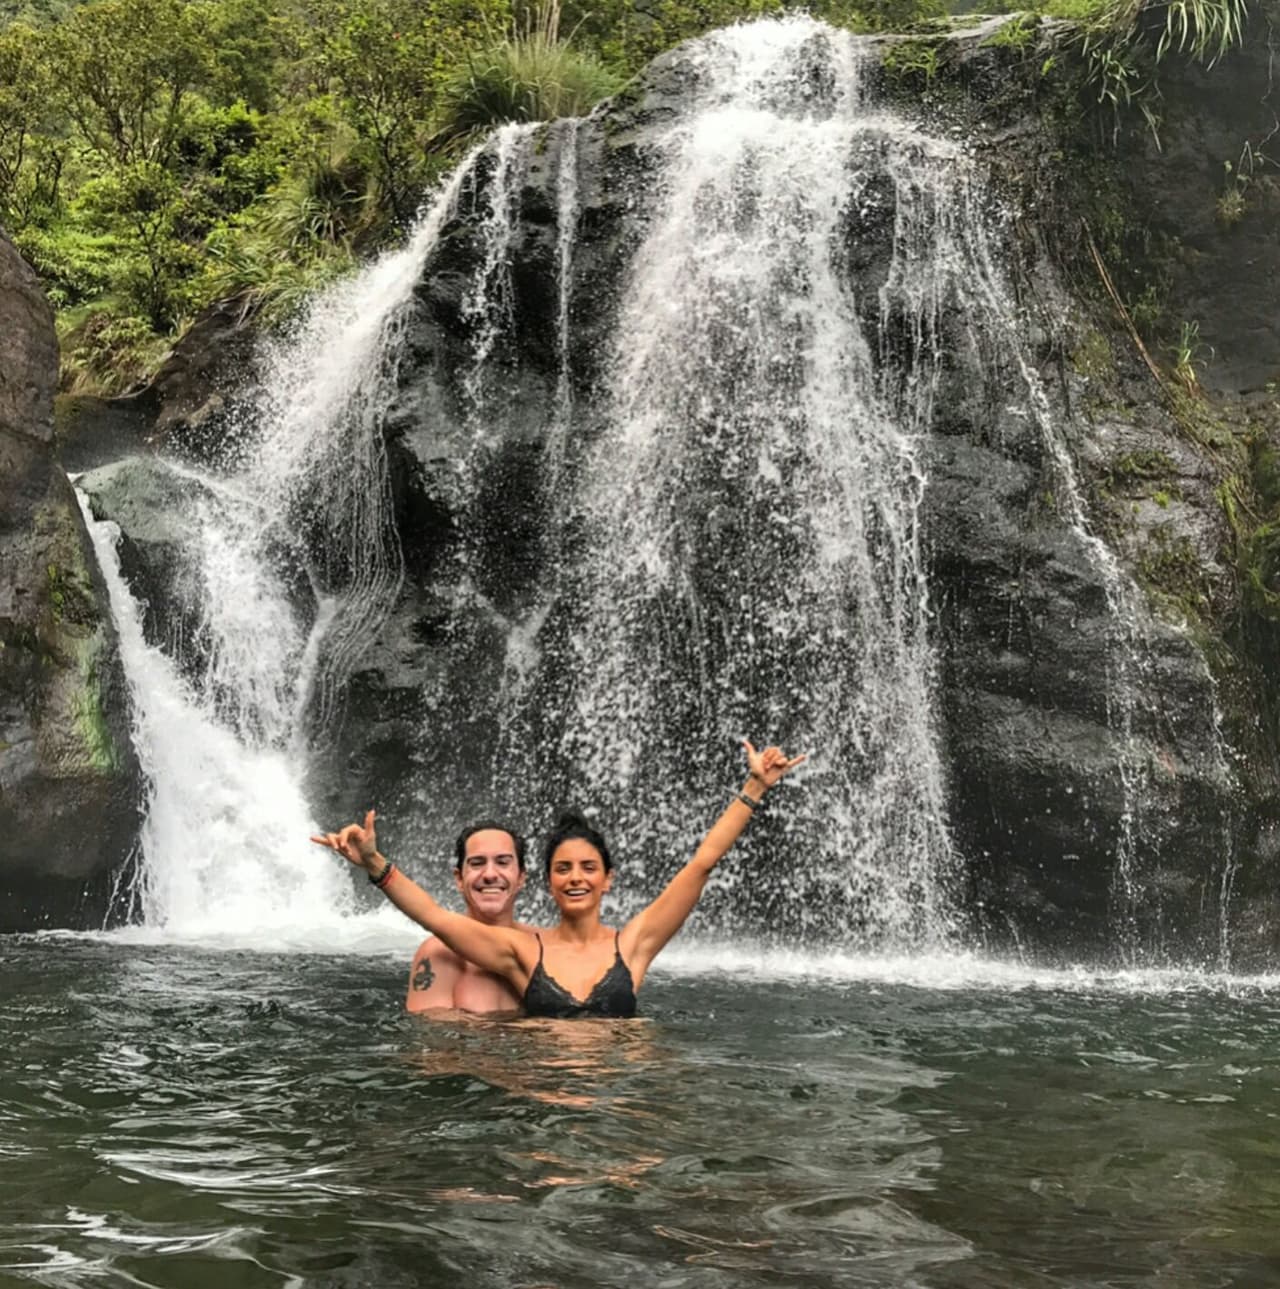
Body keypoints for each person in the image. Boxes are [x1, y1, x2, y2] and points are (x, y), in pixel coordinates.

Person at [313, 740, 804, 1018]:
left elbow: (701, 865)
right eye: (563, 869)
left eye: (588, 868)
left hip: (622, 1099)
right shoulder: (524, 952)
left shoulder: (633, 946)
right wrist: (375, 864)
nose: (576, 878)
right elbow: (436, 917)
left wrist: (753, 788)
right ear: (545, 882)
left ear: (608, 879)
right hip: (547, 1105)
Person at [403, 821, 532, 1015]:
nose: (489, 874)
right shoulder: (438, 955)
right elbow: (431, 1040)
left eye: (503, 862)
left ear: (521, 877)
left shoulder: (542, 946)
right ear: (459, 879)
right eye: (477, 863)